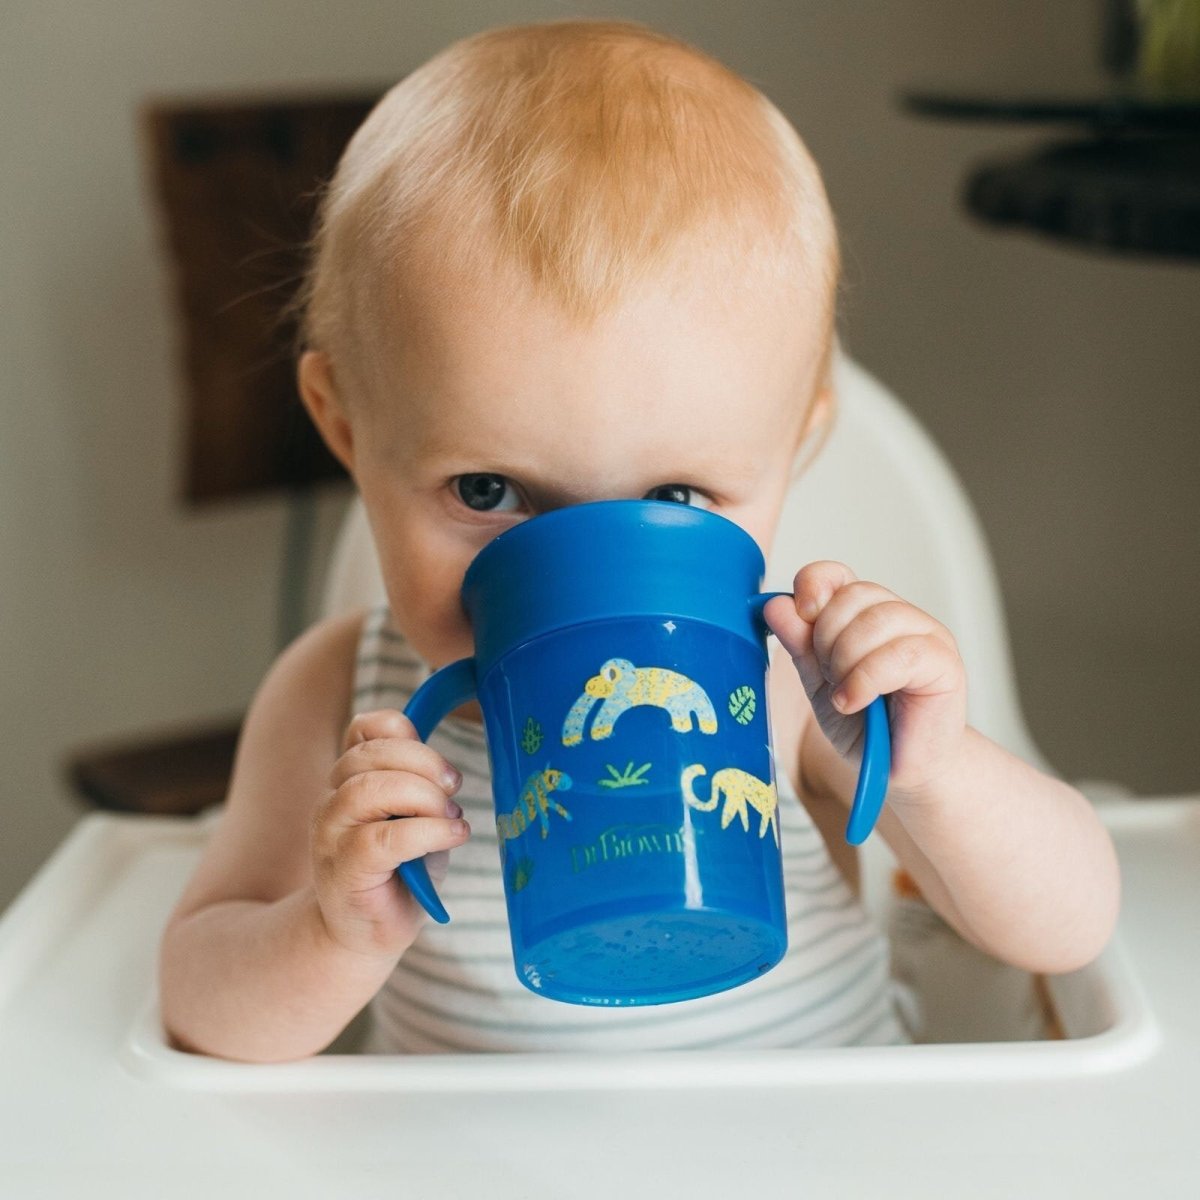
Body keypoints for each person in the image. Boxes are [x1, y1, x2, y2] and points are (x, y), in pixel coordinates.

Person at [158, 18, 1120, 1061]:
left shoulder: (789, 684)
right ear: (346, 427)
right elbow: (200, 1010)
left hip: (818, 1136)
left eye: (676, 496)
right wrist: (329, 933)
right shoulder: (336, 701)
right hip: (463, 1146)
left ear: (797, 447)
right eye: (488, 490)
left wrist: (935, 776)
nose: (583, 577)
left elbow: (1069, 931)